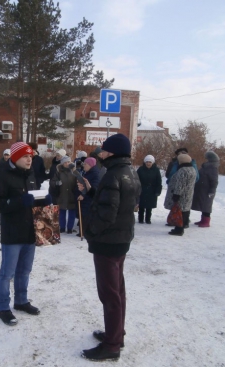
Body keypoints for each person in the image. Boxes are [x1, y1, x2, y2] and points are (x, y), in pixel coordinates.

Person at [77, 133, 141, 362]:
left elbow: (108, 214)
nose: (100, 153)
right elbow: (122, 203)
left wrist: (90, 232)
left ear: (112, 152)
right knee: (118, 291)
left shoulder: (113, 174)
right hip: (121, 240)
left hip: (108, 243)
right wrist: (93, 192)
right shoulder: (130, 172)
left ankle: (112, 345)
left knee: (110, 294)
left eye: (103, 150)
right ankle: (116, 334)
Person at [0, 142, 52, 326]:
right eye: (25, 156)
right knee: (7, 273)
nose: (29, 159)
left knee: (24, 271)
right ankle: (3, 307)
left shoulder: (31, 175)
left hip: (30, 232)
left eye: (31, 156)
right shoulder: (3, 176)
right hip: (12, 233)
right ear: (16, 158)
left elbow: (32, 201)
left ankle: (21, 301)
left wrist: (43, 201)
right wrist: (18, 201)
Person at [164, 154, 197, 236]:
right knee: (184, 211)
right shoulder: (192, 169)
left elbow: (180, 184)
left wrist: (176, 194)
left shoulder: (183, 170)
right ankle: (180, 227)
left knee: (179, 212)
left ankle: (178, 229)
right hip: (188, 195)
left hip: (181, 195)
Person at [50, 156, 78, 234]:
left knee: (72, 212)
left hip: (71, 195)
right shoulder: (58, 172)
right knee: (62, 212)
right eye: (65, 162)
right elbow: (52, 182)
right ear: (62, 164)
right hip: (62, 195)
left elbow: (79, 181)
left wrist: (76, 191)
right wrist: (57, 183)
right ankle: (62, 227)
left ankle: (70, 228)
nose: (67, 164)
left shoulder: (74, 171)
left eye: (68, 162)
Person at [191, 151, 220, 228]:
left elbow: (214, 181)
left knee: (206, 205)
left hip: (207, 191)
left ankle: (206, 221)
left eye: (207, 159)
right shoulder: (206, 166)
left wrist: (212, 191)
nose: (206, 160)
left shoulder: (213, 168)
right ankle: (202, 220)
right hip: (202, 190)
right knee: (203, 205)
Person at [76, 157, 100, 237]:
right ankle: (82, 231)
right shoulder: (88, 172)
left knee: (87, 215)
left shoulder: (95, 174)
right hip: (86, 198)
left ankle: (84, 232)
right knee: (83, 215)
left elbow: (94, 187)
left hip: (89, 198)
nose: (84, 166)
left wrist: (83, 193)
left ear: (90, 165)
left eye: (85, 164)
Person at [136, 155, 162, 224]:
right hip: (142, 190)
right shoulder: (140, 169)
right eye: (147, 162)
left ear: (152, 162)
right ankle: (140, 219)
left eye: (150, 162)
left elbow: (159, 181)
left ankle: (148, 219)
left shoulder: (156, 170)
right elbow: (136, 179)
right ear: (145, 162)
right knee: (141, 205)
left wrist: (158, 191)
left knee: (149, 206)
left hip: (152, 190)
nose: (148, 163)